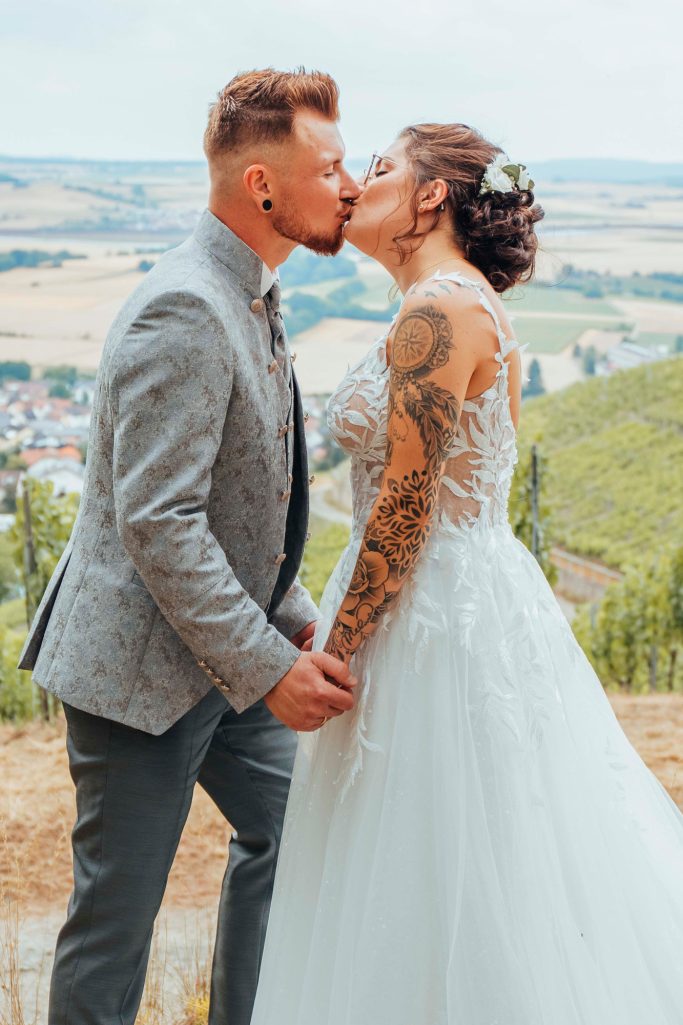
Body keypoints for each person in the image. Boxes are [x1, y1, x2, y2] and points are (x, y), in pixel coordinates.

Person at [249, 123, 683, 1024]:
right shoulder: (455, 302)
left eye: (379, 168)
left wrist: (337, 648)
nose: (357, 183)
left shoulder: (439, 310)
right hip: (459, 590)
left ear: (431, 194)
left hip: (430, 615)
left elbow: (406, 506)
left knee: (432, 857)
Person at [18, 68, 360, 1025]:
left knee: (293, 836)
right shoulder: (187, 307)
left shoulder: (249, 289)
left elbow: (244, 502)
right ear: (261, 185)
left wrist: (292, 620)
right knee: (114, 928)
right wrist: (269, 666)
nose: (348, 186)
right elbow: (159, 522)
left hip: (224, 656)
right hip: (138, 671)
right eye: (328, 168)